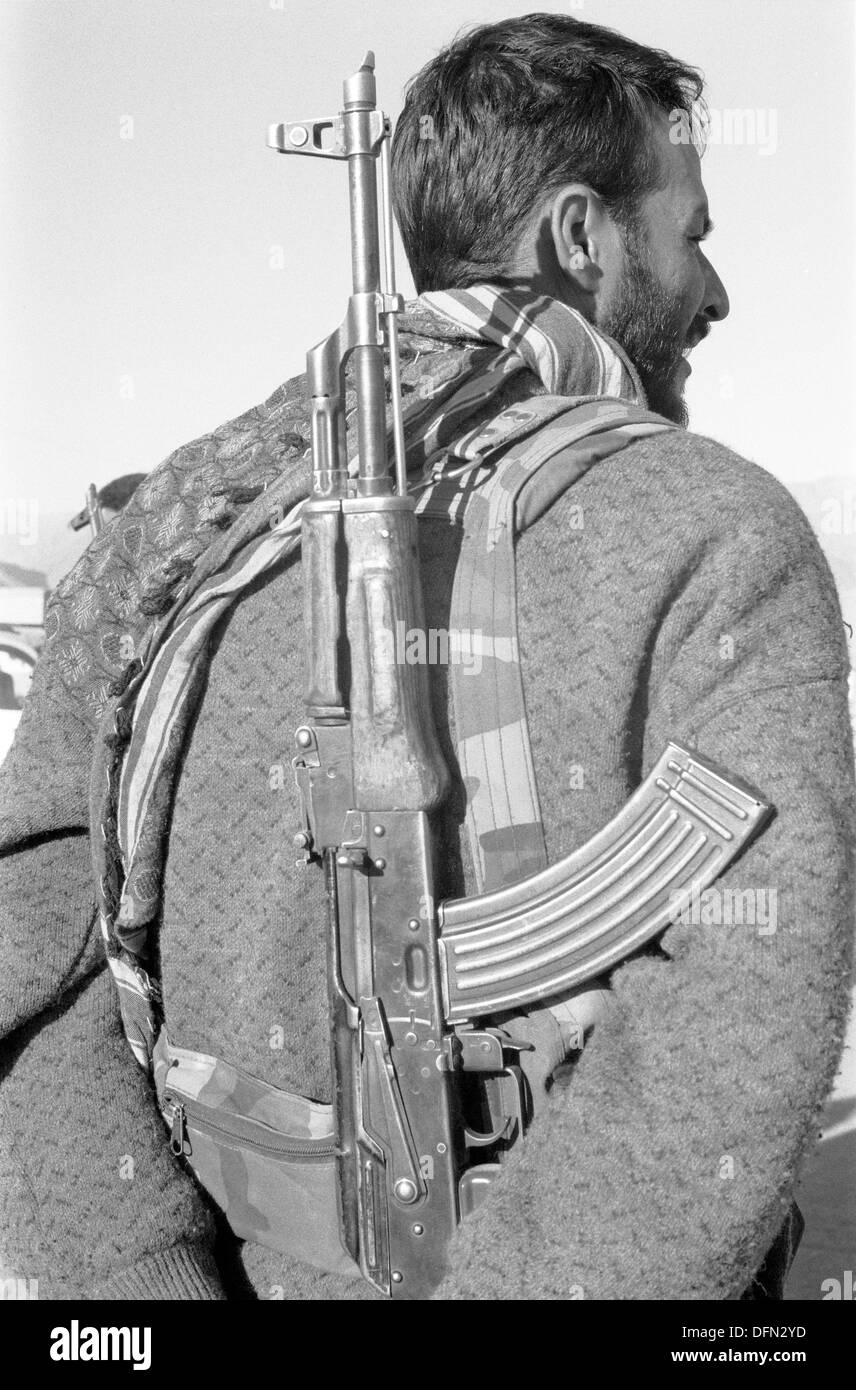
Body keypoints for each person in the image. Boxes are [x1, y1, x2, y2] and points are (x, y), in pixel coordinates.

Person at [1, 13, 853, 1302]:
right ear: (580, 235)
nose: (716, 292)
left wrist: (142, 1292)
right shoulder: (717, 531)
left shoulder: (171, 533)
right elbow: (737, 1025)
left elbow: (39, 941)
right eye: (693, 235)